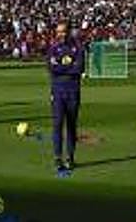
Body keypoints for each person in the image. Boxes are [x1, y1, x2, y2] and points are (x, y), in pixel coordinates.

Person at [47, 21, 85, 173]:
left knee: (71, 126)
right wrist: (68, 68)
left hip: (73, 91)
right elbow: (52, 68)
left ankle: (70, 157)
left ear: (69, 32)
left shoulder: (78, 48)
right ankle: (57, 158)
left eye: (63, 31)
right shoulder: (53, 49)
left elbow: (79, 68)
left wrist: (62, 68)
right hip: (57, 91)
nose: (60, 34)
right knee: (57, 125)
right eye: (58, 32)